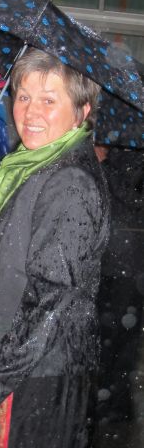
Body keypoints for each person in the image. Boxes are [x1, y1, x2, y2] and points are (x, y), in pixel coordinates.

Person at [0, 49, 110, 448]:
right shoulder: (31, 164)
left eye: (49, 100)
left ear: (81, 112)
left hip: (29, 376)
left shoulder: (69, 181)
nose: (30, 112)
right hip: (9, 361)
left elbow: (52, 301)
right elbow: (13, 244)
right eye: (24, 96)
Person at [93, 146, 144, 434]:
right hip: (107, 260)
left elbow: (136, 199)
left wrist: (105, 165)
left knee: (122, 341)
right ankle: (105, 400)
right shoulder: (114, 149)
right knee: (106, 337)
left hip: (132, 267)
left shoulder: (136, 155)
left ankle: (117, 407)